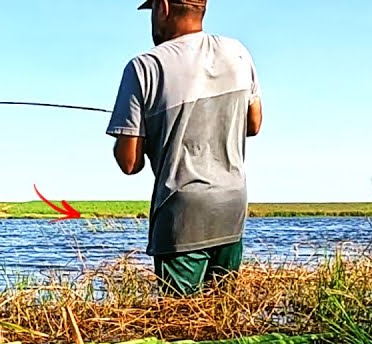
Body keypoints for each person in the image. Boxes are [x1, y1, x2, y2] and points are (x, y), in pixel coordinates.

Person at [107, 0, 262, 296]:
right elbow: (253, 124)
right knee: (221, 313)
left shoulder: (144, 67)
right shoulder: (238, 52)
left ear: (163, 7)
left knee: (181, 321)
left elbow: (129, 163)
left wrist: (137, 129)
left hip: (182, 214)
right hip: (231, 205)